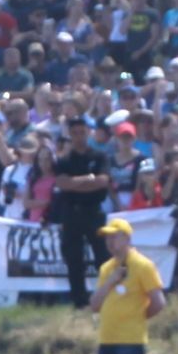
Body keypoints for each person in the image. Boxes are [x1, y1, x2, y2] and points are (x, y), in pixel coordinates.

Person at [93, 216, 168, 354]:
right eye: (107, 238)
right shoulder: (107, 268)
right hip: (107, 338)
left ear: (126, 238)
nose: (109, 242)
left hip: (131, 339)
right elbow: (95, 304)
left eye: (114, 237)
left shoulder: (143, 265)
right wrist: (110, 282)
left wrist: (137, 318)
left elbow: (158, 302)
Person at [50, 115, 114, 307]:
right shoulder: (64, 160)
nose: (79, 136)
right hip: (71, 213)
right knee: (73, 259)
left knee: (102, 257)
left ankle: (107, 298)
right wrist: (88, 179)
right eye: (75, 133)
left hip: (93, 211)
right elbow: (62, 184)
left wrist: (75, 183)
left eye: (82, 132)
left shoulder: (99, 156)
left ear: (89, 132)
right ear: (70, 134)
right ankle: (79, 301)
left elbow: (103, 182)